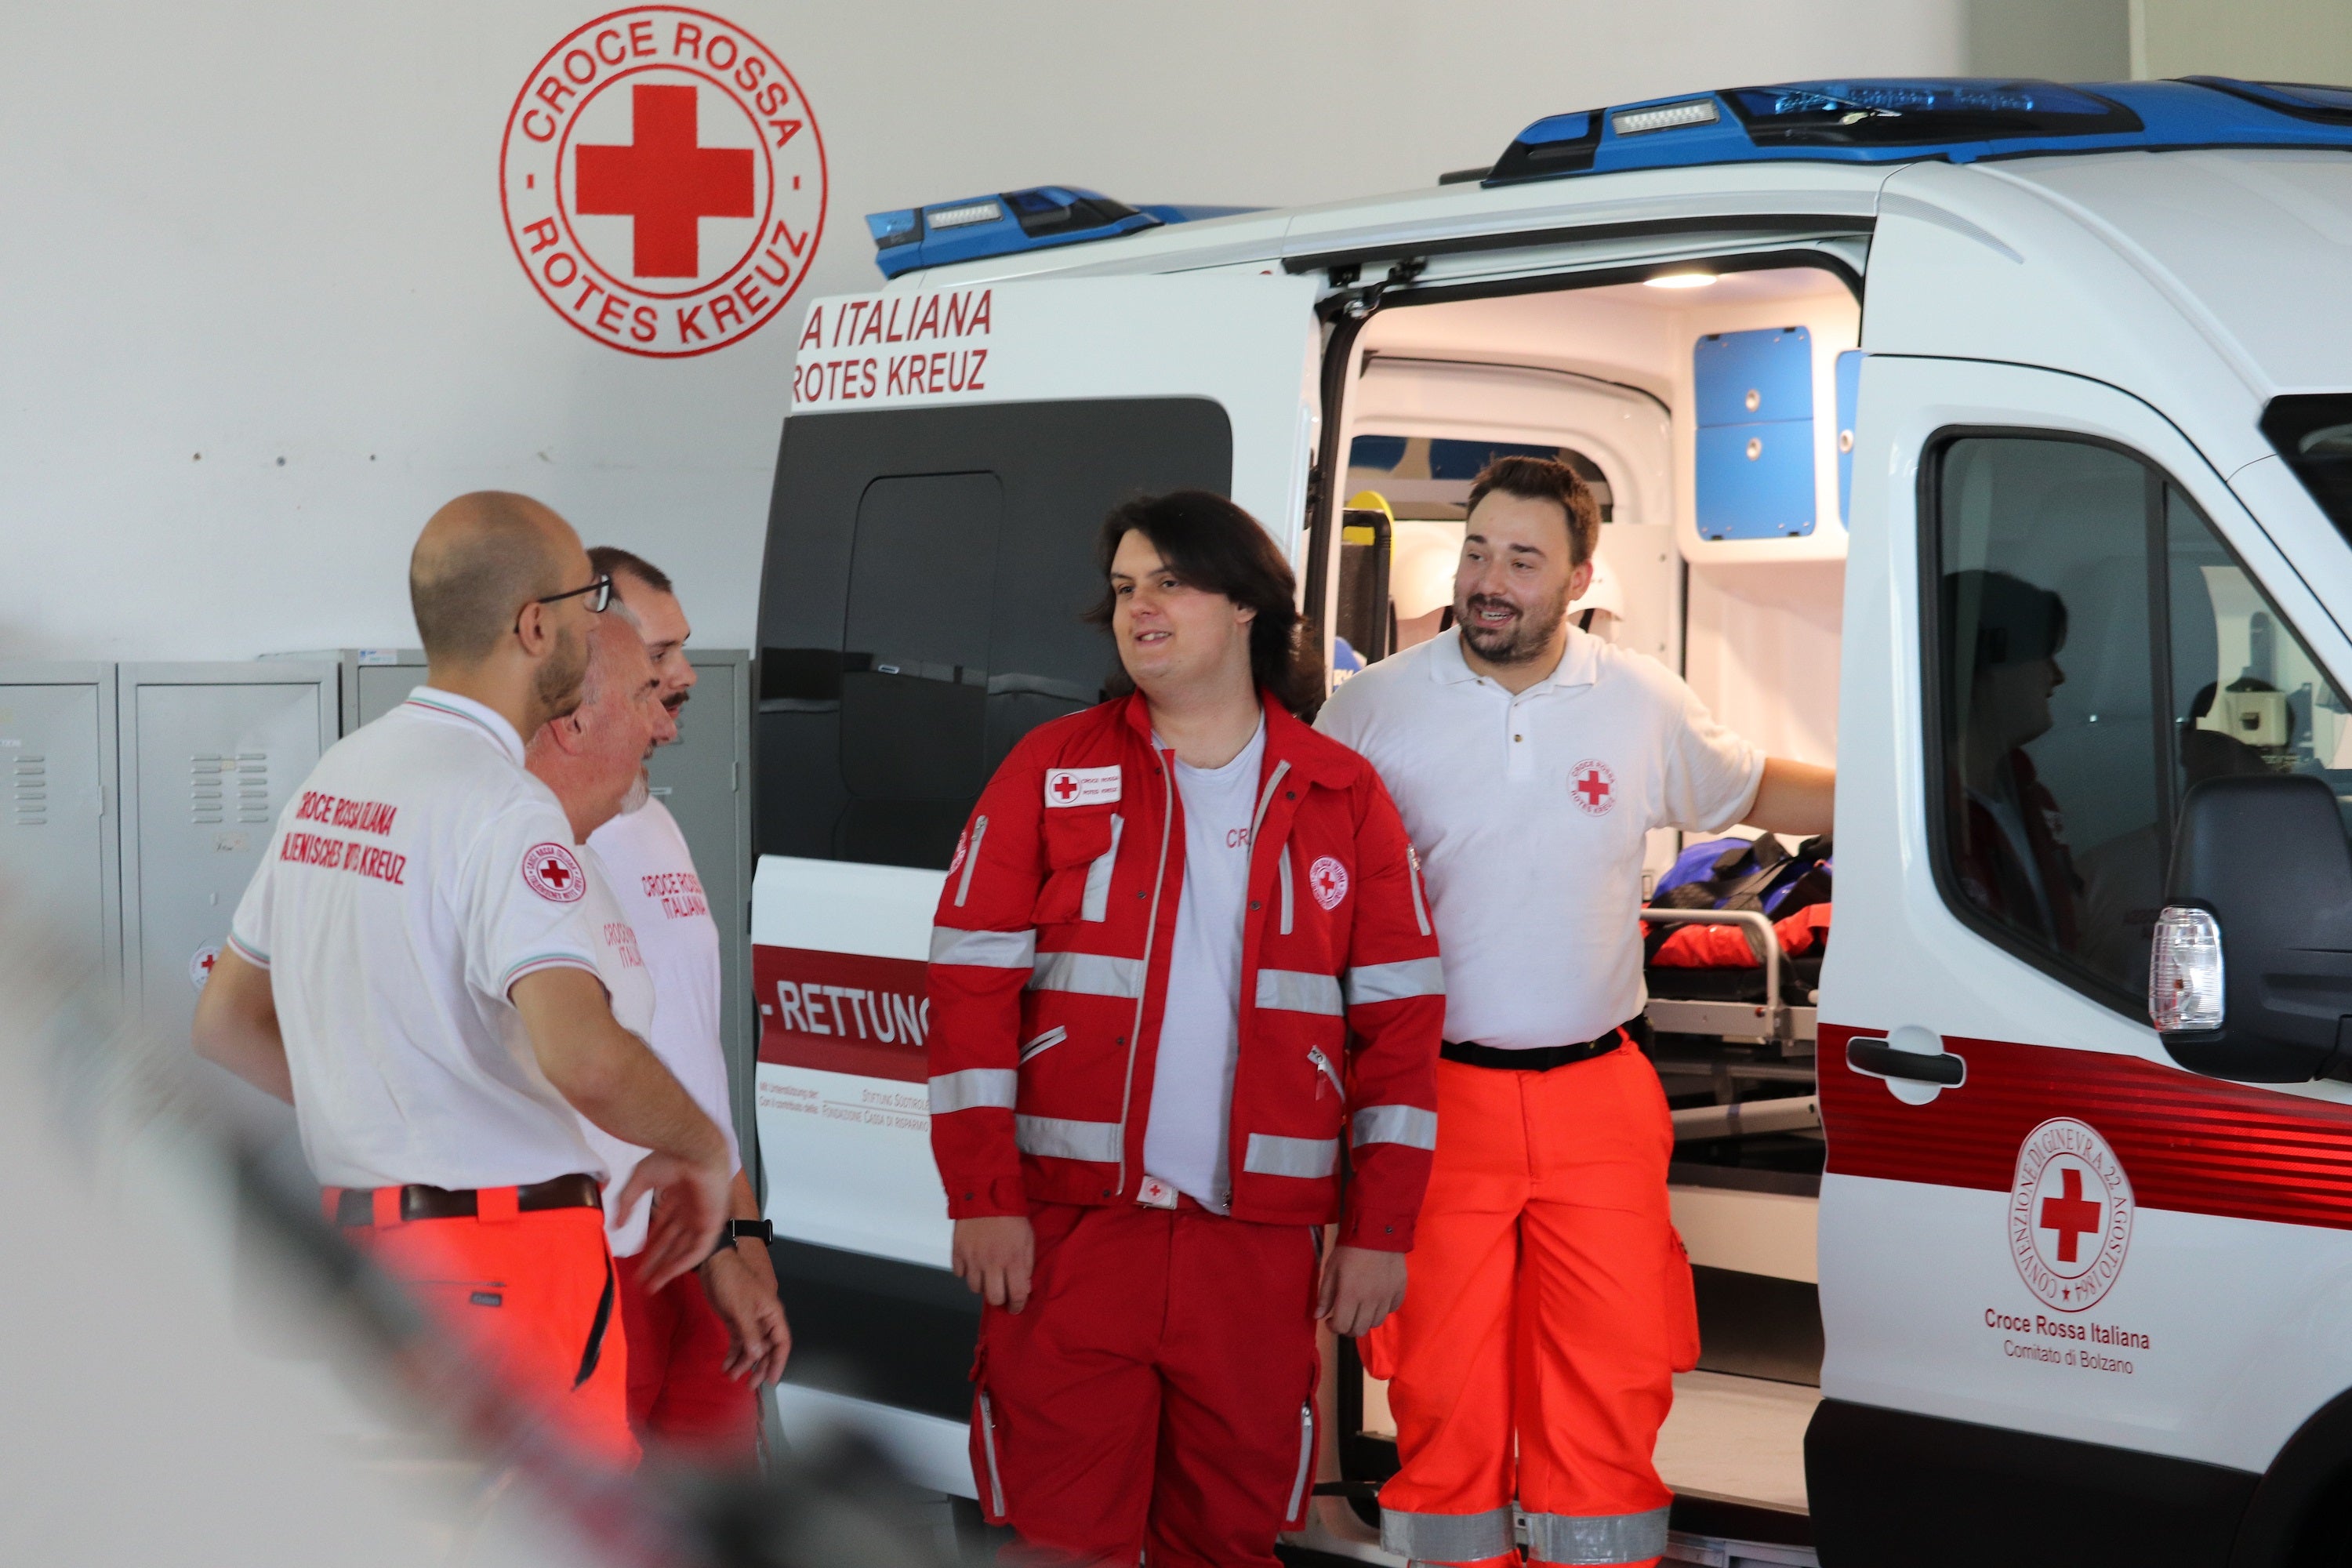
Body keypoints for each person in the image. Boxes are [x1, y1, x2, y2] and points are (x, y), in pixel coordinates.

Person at [1317, 456, 1835, 1568]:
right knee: (1445, 1392)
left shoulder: (1639, 698)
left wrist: (1905, 791)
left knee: (1612, 1375)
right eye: (1475, 552)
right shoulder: (1368, 710)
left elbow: (1746, 786)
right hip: (1433, 1103)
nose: (1488, 582)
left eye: (1522, 560)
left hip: (1601, 1093)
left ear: (1580, 576)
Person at [925, 490, 1445, 1566]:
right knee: (1064, 1544)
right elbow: (967, 992)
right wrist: (983, 1198)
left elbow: (1400, 1030)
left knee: (1230, 1541)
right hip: (1070, 1243)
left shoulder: (1345, 794)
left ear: (1248, 605)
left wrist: (1382, 1227)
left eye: (1169, 581)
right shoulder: (1051, 768)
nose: (1138, 608)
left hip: (1252, 1257)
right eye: (1123, 588)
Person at [191, 491, 734, 1468]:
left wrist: (386, 1102)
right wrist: (700, 1146)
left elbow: (226, 1020)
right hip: (508, 1268)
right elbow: (583, 1051)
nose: (594, 623)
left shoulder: (339, 776)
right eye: (588, 599)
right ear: (537, 625)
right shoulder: (502, 807)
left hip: (359, 1255)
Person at [568, 544, 789, 1464]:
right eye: (661, 652)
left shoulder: (652, 821)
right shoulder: (529, 836)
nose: (687, 675)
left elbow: (695, 1051)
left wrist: (741, 1227)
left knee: (715, 1509)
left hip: (695, 1242)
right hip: (595, 1254)